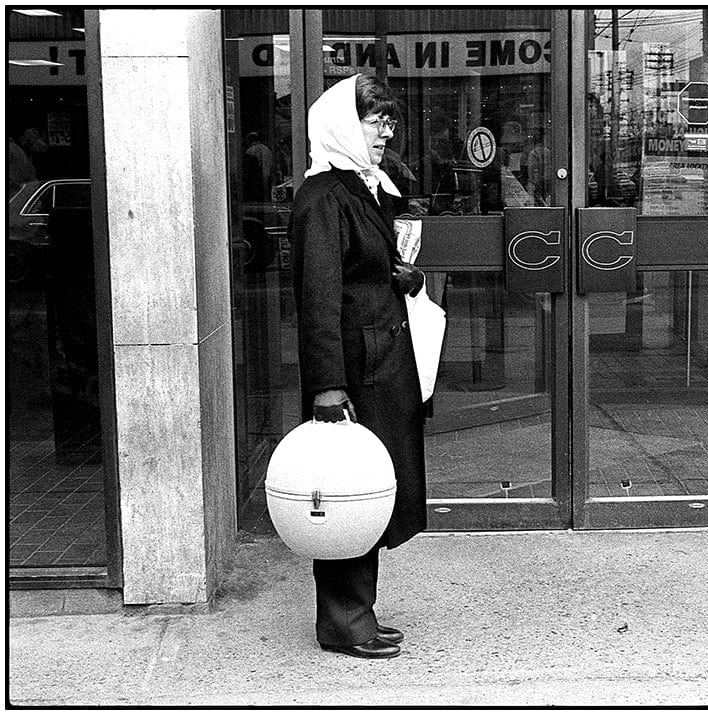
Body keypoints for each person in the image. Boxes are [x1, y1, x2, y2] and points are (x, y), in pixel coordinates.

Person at [289, 73, 427, 660]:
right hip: (352, 366)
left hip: (382, 359)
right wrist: (326, 387)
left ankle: (358, 612)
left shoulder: (371, 185)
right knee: (347, 490)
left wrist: (412, 278)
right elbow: (316, 299)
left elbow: (390, 262)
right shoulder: (323, 197)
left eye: (389, 122)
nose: (385, 131)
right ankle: (343, 621)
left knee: (370, 488)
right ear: (346, 125)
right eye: (376, 122)